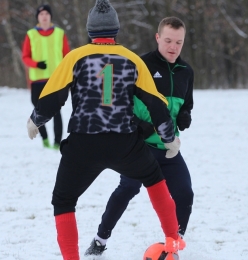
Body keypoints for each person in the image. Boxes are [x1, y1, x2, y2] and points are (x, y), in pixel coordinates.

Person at [26, 1, 186, 259]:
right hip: (124, 142)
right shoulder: (132, 59)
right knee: (156, 180)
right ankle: (173, 241)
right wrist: (169, 137)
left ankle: (71, 257)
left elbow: (54, 95)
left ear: (90, 30)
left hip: (84, 143)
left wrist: (37, 119)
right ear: (116, 30)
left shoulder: (75, 57)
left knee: (64, 201)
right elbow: (155, 103)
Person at [85, 16, 194, 256]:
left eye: (179, 42)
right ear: (157, 38)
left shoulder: (187, 72)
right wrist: (140, 126)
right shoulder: (140, 65)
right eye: (168, 40)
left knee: (185, 192)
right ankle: (100, 240)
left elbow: (187, 105)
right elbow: (118, 103)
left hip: (169, 147)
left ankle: (175, 241)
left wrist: (185, 115)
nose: (173, 47)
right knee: (128, 189)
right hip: (138, 147)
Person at [22, 4, 70, 149]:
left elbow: (67, 56)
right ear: (38, 17)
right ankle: (44, 139)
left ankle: (57, 142)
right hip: (37, 80)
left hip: (55, 80)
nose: (44, 16)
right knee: (37, 110)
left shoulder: (60, 33)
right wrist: (36, 64)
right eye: (41, 14)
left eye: (46, 14)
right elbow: (25, 57)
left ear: (50, 16)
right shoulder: (31, 34)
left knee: (56, 111)